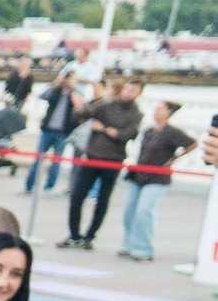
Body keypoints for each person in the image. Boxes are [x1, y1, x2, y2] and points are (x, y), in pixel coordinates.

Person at [62, 76, 143, 250]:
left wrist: (105, 129)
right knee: (77, 196)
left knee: (103, 200)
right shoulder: (107, 104)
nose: (129, 93)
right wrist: (79, 104)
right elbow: (84, 113)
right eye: (128, 89)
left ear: (139, 94)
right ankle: (74, 235)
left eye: (133, 91)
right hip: (93, 156)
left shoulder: (136, 114)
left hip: (114, 160)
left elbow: (127, 134)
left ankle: (90, 236)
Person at [116, 100, 196, 262]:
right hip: (139, 174)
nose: (156, 112)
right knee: (130, 212)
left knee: (144, 211)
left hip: (158, 177)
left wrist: (174, 158)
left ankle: (143, 249)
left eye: (160, 109)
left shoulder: (172, 132)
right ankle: (128, 245)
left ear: (168, 112)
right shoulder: (148, 131)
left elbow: (193, 144)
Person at [25, 70, 80, 193]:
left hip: (63, 132)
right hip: (48, 130)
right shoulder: (56, 91)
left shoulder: (76, 94)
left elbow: (80, 108)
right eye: (66, 78)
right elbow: (41, 96)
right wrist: (55, 83)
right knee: (38, 158)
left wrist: (72, 90)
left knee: (56, 160)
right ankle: (29, 185)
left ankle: (49, 186)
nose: (67, 81)